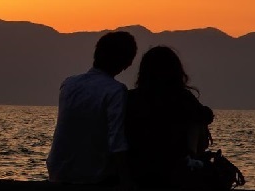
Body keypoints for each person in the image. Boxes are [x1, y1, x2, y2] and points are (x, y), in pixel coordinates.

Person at [46, 31, 136, 188]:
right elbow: (116, 141)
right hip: (91, 176)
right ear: (125, 62)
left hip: (58, 172)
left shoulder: (68, 84)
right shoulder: (115, 90)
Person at [124, 46, 214, 189]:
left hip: (137, 167)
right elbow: (207, 116)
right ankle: (192, 160)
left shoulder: (130, 98)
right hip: (175, 167)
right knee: (197, 123)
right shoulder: (182, 97)